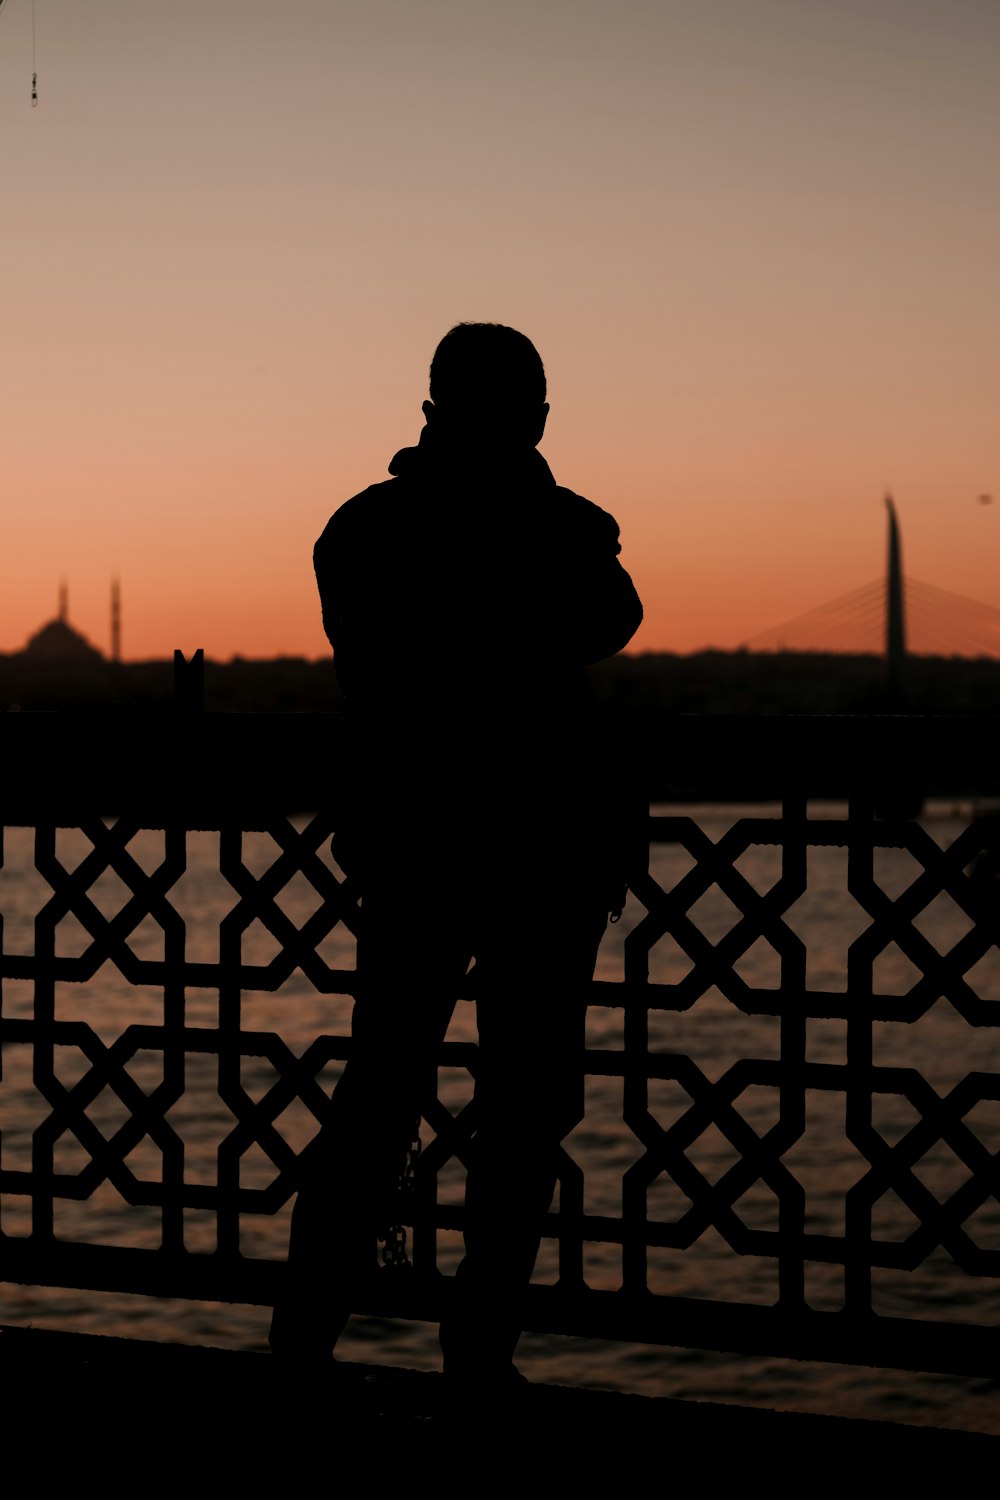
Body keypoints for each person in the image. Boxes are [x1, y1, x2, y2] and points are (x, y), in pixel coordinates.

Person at [269, 322, 643, 1386]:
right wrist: (543, 508)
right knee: (522, 1111)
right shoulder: (552, 529)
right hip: (539, 847)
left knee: (380, 1095)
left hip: (415, 845)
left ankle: (303, 1346)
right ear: (528, 417)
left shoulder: (363, 530)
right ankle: (477, 1354)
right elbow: (608, 619)